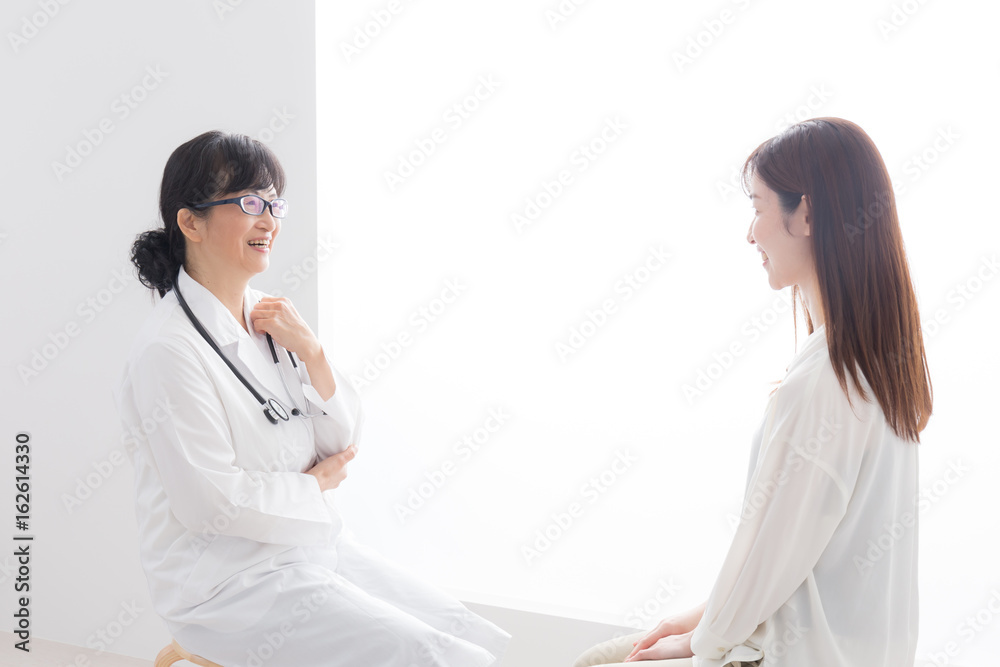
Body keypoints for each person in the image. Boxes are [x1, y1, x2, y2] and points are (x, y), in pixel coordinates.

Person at [113, 130, 510, 666]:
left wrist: (313, 353)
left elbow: (340, 443)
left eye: (274, 203)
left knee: (465, 634)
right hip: (228, 586)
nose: (269, 221)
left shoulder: (271, 318)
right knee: (431, 654)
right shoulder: (169, 350)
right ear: (191, 222)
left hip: (308, 548)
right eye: (249, 203)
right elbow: (210, 503)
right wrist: (311, 486)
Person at [571, 117, 933, 667]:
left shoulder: (825, 383)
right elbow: (793, 558)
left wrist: (702, 639)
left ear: (806, 214)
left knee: (598, 661)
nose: (750, 234)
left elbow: (771, 561)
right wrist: (700, 620)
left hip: (796, 656)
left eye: (759, 208)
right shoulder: (878, 369)